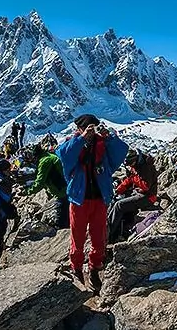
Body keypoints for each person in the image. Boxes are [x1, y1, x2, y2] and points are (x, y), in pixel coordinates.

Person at [57, 114, 129, 293]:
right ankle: (77, 267)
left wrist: (109, 136)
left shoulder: (102, 143)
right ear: (79, 129)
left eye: (94, 127)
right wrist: (81, 139)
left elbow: (122, 150)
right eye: (88, 128)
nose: (91, 131)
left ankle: (95, 268)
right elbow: (63, 156)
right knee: (78, 236)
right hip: (78, 199)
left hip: (99, 198)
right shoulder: (72, 142)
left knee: (98, 236)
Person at [24, 135, 69, 229]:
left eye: (30, 155)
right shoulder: (47, 156)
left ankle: (62, 228)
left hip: (61, 189)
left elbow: (40, 183)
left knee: (62, 209)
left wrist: (27, 191)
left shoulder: (44, 161)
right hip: (65, 186)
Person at [108, 160, 157, 242]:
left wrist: (134, 179)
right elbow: (128, 180)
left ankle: (109, 233)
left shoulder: (146, 168)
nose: (130, 167)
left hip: (148, 197)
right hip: (138, 193)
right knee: (115, 200)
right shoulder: (136, 166)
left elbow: (146, 186)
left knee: (119, 205)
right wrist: (118, 190)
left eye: (130, 164)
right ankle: (109, 226)